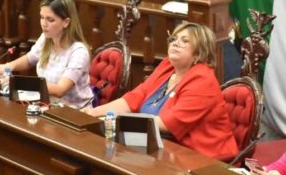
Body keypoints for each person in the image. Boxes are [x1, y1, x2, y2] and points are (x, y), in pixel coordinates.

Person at [83, 22, 238, 160]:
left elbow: (168, 123)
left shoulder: (203, 81)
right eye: (174, 39)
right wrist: (91, 113)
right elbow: (134, 98)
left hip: (203, 160)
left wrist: (114, 121)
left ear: (198, 53)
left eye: (185, 41)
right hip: (161, 148)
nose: (176, 43)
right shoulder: (168, 66)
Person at [0, 0, 93, 108]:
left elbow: (60, 90)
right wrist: (7, 67)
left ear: (66, 22)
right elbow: (29, 59)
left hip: (74, 112)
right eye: (42, 17)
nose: (44, 24)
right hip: (46, 106)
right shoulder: (46, 38)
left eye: (50, 20)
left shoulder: (79, 52)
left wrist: (17, 83)